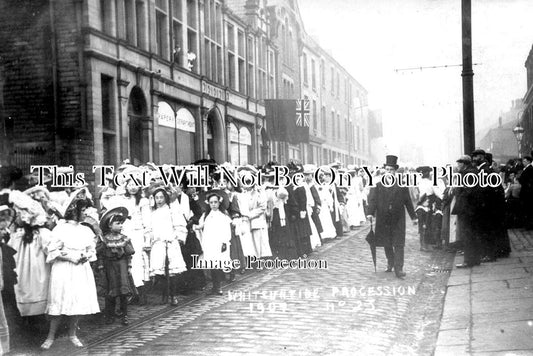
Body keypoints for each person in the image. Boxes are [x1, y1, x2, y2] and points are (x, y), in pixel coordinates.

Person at [41, 198, 100, 350]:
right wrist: (69, 257)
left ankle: (72, 334)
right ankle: (50, 336)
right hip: (64, 267)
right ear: (74, 211)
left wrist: (86, 255)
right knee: (60, 299)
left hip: (80, 268)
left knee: (77, 301)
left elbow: (91, 249)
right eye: (83, 210)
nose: (86, 213)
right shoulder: (60, 229)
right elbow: (51, 250)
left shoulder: (85, 230)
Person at [366, 155, 417, 278]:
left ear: (395, 171)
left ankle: (399, 268)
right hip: (383, 218)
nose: (389, 172)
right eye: (387, 169)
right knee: (387, 242)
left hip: (398, 218)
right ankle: (391, 262)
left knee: (399, 243)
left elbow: (408, 201)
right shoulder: (378, 185)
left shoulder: (402, 185)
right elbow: (372, 200)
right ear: (384, 170)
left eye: (391, 170)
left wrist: (413, 217)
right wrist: (370, 213)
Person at [146, 187, 187, 306]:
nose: (159, 200)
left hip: (170, 242)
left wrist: (178, 237)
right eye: (156, 197)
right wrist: (150, 240)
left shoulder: (171, 210)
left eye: (161, 197)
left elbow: (179, 225)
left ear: (165, 198)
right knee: (161, 271)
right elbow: (149, 228)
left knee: (172, 271)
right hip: (158, 243)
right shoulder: (152, 213)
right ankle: (165, 295)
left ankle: (173, 295)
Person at [97, 207, 135, 326]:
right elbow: (100, 255)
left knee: (123, 291)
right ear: (110, 225)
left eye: (121, 223)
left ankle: (124, 315)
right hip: (110, 267)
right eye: (117, 223)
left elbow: (129, 254)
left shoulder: (124, 238)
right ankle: (110, 315)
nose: (120, 226)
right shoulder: (104, 239)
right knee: (110, 291)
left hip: (122, 266)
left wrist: (129, 266)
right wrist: (101, 267)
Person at [194, 191, 232, 295]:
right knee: (211, 264)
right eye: (211, 202)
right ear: (208, 203)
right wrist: (195, 227)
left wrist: (225, 242)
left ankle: (218, 286)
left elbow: (226, 230)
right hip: (209, 242)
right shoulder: (206, 215)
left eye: (215, 202)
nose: (213, 204)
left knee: (218, 264)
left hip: (219, 243)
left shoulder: (223, 216)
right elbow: (200, 225)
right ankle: (214, 287)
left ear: (219, 203)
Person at [453, 155, 482, 268]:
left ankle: (468, 261)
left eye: (459, 163)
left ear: (464, 163)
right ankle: (476, 259)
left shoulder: (466, 174)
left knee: (467, 235)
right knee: (474, 234)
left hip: (467, 209)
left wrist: (459, 196)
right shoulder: (474, 171)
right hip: (473, 209)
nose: (458, 165)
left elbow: (467, 191)